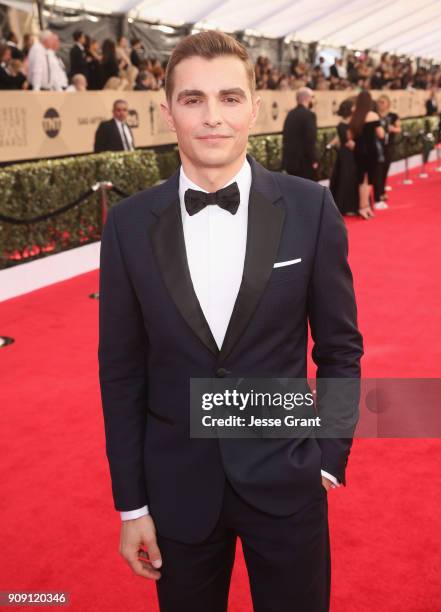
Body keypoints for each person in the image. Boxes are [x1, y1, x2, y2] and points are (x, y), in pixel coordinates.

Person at [98, 30, 363, 612]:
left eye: (229, 98)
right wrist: (132, 505)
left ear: (254, 108)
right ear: (168, 113)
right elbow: (120, 373)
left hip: (290, 478)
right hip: (177, 491)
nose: (212, 117)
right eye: (194, 99)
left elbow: (340, 348)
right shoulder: (127, 224)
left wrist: (329, 459)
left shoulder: (309, 208)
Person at [349, 90, 385, 219]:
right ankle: (364, 207)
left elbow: (350, 136)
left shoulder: (355, 115)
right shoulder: (373, 115)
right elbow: (381, 134)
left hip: (358, 151)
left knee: (361, 179)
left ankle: (364, 207)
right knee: (369, 180)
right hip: (371, 151)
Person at [329, 98, 359, 216]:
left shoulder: (346, 124)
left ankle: (348, 206)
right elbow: (349, 143)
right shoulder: (343, 125)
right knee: (347, 179)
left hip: (347, 155)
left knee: (347, 178)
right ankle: (346, 206)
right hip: (348, 156)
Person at [282, 87, 318, 179]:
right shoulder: (309, 115)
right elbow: (310, 140)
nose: (314, 100)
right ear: (308, 98)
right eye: (313, 97)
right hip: (304, 164)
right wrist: (313, 160)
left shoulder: (290, 114)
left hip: (290, 163)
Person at [375, 94, 401, 206]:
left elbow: (399, 128)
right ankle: (379, 192)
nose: (380, 104)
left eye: (383, 102)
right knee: (378, 170)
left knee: (385, 168)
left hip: (388, 145)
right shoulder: (374, 115)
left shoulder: (393, 116)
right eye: (379, 102)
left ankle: (382, 190)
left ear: (388, 104)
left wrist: (393, 129)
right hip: (376, 146)